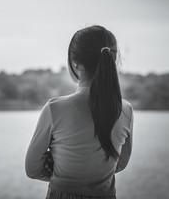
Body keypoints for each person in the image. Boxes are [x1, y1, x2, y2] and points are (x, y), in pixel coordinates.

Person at [25, 25, 134, 199]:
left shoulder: (55, 109)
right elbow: (121, 163)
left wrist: (62, 177)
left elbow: (32, 169)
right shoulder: (125, 109)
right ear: (112, 60)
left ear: (75, 63)